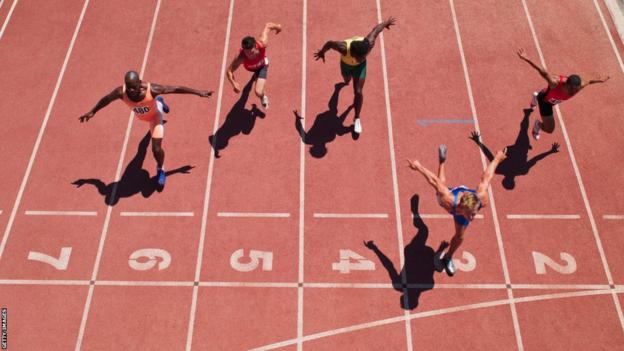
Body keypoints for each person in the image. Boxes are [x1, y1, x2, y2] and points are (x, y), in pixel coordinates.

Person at [79, 70, 212, 186]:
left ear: (140, 82)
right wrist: (92, 111)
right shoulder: (121, 92)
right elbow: (105, 100)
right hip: (142, 117)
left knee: (155, 149)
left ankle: (161, 169)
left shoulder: (152, 89)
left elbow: (175, 88)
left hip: (155, 116)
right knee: (140, 152)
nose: (131, 90)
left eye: (134, 87)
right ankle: (159, 102)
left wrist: (198, 92)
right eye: (129, 87)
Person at [407, 144, 507, 276]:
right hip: (452, 198)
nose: (472, 218)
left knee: (460, 236)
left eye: (474, 213)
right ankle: (442, 162)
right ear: (462, 209)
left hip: (465, 198)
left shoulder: (481, 198)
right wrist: (419, 167)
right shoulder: (448, 200)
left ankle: (448, 257)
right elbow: (434, 182)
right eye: (470, 215)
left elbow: (486, 177)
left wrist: (497, 159)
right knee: (439, 190)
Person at [313, 17, 396, 135]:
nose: (361, 58)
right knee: (346, 81)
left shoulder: (369, 43)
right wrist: (322, 52)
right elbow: (330, 43)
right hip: (346, 66)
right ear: (352, 53)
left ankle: (357, 118)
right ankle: (338, 89)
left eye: (363, 56)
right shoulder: (343, 48)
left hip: (360, 68)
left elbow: (376, 30)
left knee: (358, 91)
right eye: (359, 57)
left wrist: (386, 23)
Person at [516, 48, 609, 140]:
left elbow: (589, 81)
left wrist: (599, 80)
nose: (573, 92)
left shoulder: (578, 87)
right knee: (550, 129)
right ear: (567, 84)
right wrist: (527, 58)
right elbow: (543, 72)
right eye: (572, 89)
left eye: (576, 89)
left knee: (549, 129)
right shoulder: (555, 83)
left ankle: (536, 101)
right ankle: (538, 121)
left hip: (551, 100)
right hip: (545, 102)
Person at [227, 22, 282, 110]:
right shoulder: (240, 56)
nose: (249, 55)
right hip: (251, 68)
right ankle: (255, 77)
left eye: (251, 52)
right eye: (246, 52)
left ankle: (263, 96)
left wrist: (278, 27)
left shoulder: (262, 44)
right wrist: (233, 83)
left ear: (255, 46)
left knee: (258, 92)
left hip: (262, 66)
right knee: (251, 84)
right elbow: (229, 71)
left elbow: (268, 26)